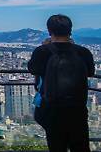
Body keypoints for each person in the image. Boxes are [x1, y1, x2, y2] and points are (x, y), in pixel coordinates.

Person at [28, 14, 95, 152]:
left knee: (56, 147)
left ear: (49, 31)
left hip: (52, 109)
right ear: (70, 30)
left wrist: (45, 46)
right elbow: (90, 72)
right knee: (81, 146)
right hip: (78, 109)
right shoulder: (83, 52)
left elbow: (33, 69)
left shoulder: (43, 51)